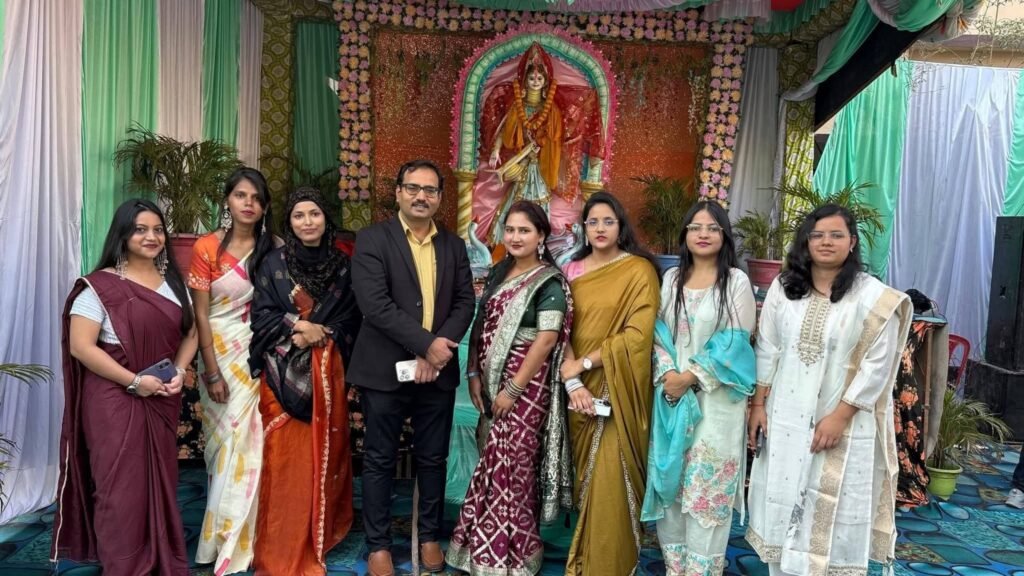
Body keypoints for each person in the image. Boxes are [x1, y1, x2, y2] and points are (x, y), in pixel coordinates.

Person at [746, 204, 911, 576]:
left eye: (836, 235)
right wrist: (757, 405)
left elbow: (878, 364)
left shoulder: (872, 296)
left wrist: (840, 417)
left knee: (831, 517)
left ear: (852, 242)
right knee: (781, 502)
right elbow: (768, 347)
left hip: (844, 423)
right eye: (817, 235)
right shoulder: (784, 287)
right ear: (806, 241)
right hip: (785, 417)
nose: (826, 242)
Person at [53, 199, 198, 575]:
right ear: (122, 234)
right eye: (140, 229)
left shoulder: (174, 284)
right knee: (118, 488)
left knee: (160, 482)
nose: (152, 237)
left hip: (160, 397)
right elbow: (81, 347)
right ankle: (122, 566)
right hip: (113, 400)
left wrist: (179, 369)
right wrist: (134, 381)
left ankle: (158, 560)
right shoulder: (98, 287)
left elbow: (192, 331)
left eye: (158, 230)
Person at [348, 159, 475, 576]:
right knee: (380, 458)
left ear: (440, 197)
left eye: (430, 190)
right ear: (399, 192)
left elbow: (464, 303)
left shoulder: (454, 246)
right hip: (384, 370)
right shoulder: (372, 240)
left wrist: (436, 351)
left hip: (437, 372)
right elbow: (375, 305)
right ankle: (379, 545)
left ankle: (430, 537)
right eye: (413, 188)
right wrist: (426, 345)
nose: (422, 196)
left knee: (433, 458)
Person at [447, 201, 574, 575]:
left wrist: (513, 390)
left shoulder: (549, 282)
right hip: (489, 383)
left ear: (541, 236)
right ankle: (480, 549)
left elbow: (546, 340)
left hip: (526, 389)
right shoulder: (499, 272)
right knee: (491, 462)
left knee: (514, 464)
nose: (516, 237)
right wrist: (473, 374)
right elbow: (481, 324)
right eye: (511, 229)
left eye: (525, 230)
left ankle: (517, 553)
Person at [248, 188, 360, 576]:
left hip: (328, 373)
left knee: (324, 453)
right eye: (299, 215)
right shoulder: (273, 264)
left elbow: (353, 320)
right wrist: (298, 325)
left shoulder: (344, 267)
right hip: (281, 375)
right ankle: (283, 541)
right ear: (289, 221)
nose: (307, 222)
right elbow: (261, 317)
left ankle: (320, 532)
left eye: (315, 214)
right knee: (285, 457)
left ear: (327, 219)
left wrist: (322, 331)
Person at [642, 201, 757, 576]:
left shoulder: (735, 282)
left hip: (716, 405)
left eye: (712, 228)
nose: (703, 234)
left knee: (706, 493)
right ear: (685, 234)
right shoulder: (672, 279)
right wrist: (668, 376)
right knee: (673, 488)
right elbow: (656, 333)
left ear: (724, 235)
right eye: (695, 227)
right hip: (671, 399)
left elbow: (735, 342)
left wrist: (689, 377)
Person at [559, 191, 660, 576]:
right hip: (577, 391)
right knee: (586, 480)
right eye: (592, 222)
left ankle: (609, 566)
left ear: (621, 227)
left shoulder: (639, 271)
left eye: (608, 221)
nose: (600, 228)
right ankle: (586, 558)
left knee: (612, 481)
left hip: (620, 389)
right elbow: (560, 328)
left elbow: (637, 337)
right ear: (583, 228)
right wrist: (574, 380)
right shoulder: (571, 271)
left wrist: (585, 362)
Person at [188, 167, 275, 573]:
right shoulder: (206, 247)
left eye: (256, 198)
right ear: (228, 200)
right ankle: (219, 538)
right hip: (219, 353)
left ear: (265, 206)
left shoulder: (272, 248)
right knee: (224, 446)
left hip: (258, 351)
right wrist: (211, 371)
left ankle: (247, 539)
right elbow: (200, 316)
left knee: (251, 442)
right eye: (241, 195)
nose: (248, 203)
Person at [473, 42, 605, 246]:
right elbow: (504, 131)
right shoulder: (517, 107)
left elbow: (556, 137)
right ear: (525, 81)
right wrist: (496, 151)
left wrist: (542, 144)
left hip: (542, 164)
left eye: (539, 78)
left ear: (545, 82)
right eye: (532, 78)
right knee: (516, 200)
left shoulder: (551, 110)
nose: (535, 81)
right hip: (521, 161)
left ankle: (538, 243)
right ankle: (505, 244)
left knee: (541, 199)